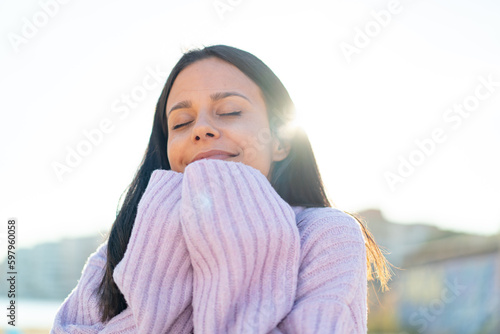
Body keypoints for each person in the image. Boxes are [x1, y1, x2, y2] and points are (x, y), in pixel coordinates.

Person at [51, 44, 393, 333]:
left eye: (229, 111)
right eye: (181, 123)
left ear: (280, 141)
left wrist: (229, 229)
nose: (201, 129)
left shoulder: (327, 235)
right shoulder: (120, 247)